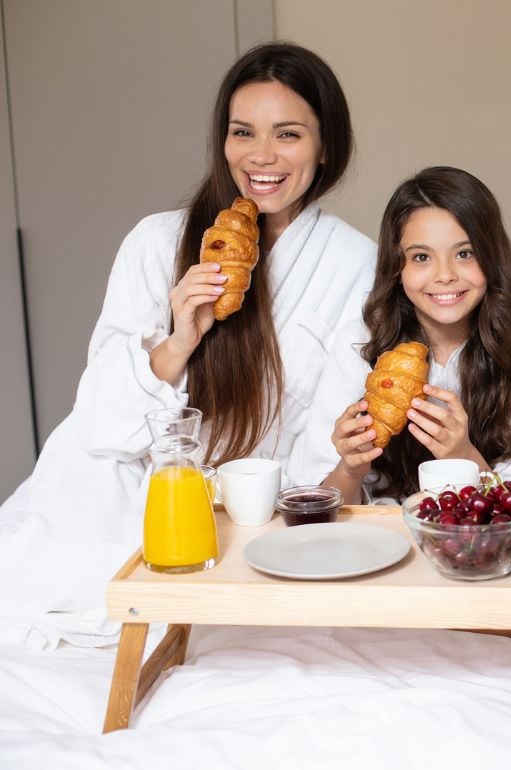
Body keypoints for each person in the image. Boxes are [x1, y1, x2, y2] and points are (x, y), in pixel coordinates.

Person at [0, 42, 376, 648]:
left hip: (252, 507)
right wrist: (179, 340)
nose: (261, 156)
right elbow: (100, 422)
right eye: (242, 132)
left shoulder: (356, 263)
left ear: (325, 144)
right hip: (124, 495)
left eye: (287, 134)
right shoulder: (156, 242)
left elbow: (327, 439)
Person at [290, 166, 511, 505]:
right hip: (380, 543)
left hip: (485, 546)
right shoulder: (360, 344)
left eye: (465, 254)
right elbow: (324, 506)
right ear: (396, 266)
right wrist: (350, 467)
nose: (445, 275)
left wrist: (464, 454)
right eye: (421, 257)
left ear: (492, 257)